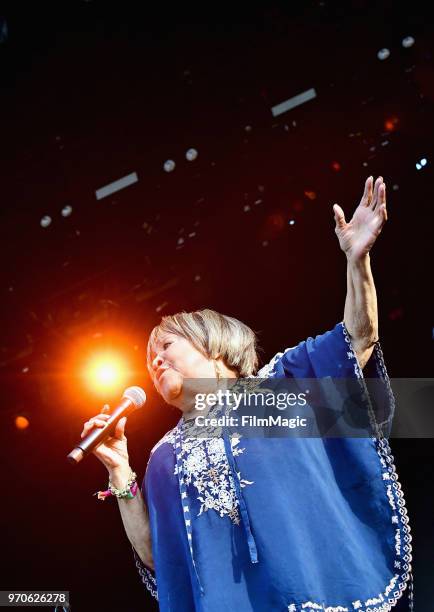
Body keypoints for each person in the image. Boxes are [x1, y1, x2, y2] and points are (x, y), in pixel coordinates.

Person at [82, 176, 413, 611]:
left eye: (165, 346)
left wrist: (357, 262)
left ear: (211, 341)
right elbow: (160, 559)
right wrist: (120, 470)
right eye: (149, 359)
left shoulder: (280, 382)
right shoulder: (164, 456)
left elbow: (359, 339)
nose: (155, 361)